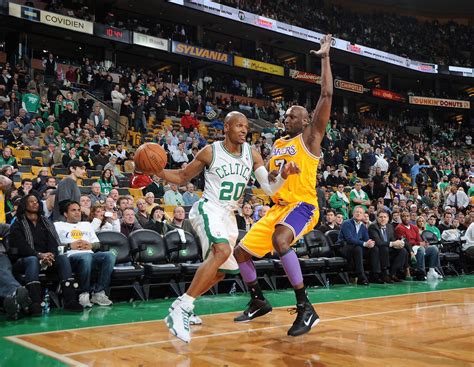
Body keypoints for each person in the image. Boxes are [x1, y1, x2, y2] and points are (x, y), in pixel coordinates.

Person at [158, 106, 300, 342]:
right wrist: (158, 171)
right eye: (239, 125)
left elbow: (268, 188)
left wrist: (284, 176)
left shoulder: (252, 153)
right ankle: (181, 309)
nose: (244, 130)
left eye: (246, 126)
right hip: (209, 208)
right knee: (222, 251)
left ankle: (183, 303)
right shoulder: (210, 151)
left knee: (221, 273)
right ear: (226, 127)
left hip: (229, 216)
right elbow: (183, 177)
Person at [233, 35, 333, 337]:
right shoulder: (277, 144)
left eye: (292, 115)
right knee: (241, 253)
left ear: (305, 122)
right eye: (286, 114)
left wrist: (325, 58)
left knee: (281, 241)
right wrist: (279, 176)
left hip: (303, 205)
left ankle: (305, 307)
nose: (285, 117)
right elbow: (273, 184)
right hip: (278, 207)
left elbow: (326, 95)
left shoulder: (310, 138)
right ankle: (258, 300)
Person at [9, 194, 83, 313]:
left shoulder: (46, 221)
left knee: (63, 259)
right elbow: (21, 247)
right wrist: (39, 255)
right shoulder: (18, 223)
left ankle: (70, 301)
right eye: (31, 201)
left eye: (37, 202)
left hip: (46, 258)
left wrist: (50, 255)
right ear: (24, 204)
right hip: (24, 260)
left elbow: (54, 242)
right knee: (32, 260)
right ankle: (35, 303)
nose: (35, 203)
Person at [54, 201, 115, 307]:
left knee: (110, 255)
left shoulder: (86, 224)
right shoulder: (58, 225)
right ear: (65, 214)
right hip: (71, 256)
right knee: (86, 257)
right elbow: (54, 246)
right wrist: (69, 245)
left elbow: (97, 244)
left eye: (78, 210)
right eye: (73, 210)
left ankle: (98, 292)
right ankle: (84, 293)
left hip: (90, 253)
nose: (77, 213)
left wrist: (91, 246)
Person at [394, 211, 442, 281]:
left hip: (416, 246)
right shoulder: (399, 228)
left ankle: (431, 271)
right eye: (404, 216)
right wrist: (419, 244)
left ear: (410, 217)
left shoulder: (414, 227)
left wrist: (423, 243)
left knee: (433, 249)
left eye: (407, 216)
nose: (406, 218)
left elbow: (418, 239)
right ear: (401, 218)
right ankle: (421, 272)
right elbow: (405, 241)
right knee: (421, 249)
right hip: (407, 248)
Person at [338, 206, 379, 285]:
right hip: (344, 247)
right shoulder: (346, 223)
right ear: (353, 213)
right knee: (358, 248)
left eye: (360, 212)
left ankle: (375, 275)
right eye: (357, 212)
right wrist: (364, 243)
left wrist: (370, 243)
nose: (358, 214)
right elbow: (349, 239)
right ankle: (361, 276)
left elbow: (366, 239)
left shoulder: (363, 226)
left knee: (375, 249)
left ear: (363, 215)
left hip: (356, 248)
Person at [368, 209, 407, 283]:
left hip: (388, 248)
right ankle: (385, 273)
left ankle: (393, 273)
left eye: (385, 217)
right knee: (384, 248)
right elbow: (378, 242)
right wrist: (392, 244)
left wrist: (398, 244)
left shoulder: (390, 227)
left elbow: (392, 239)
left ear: (388, 218)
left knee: (403, 250)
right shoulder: (373, 227)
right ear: (377, 218)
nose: (383, 219)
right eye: (381, 217)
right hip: (378, 249)